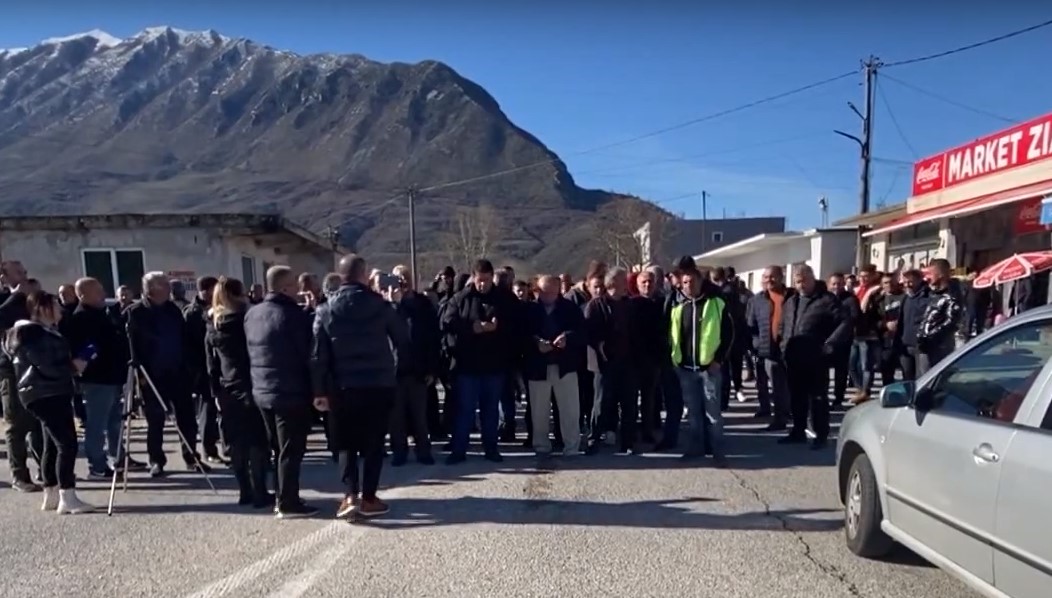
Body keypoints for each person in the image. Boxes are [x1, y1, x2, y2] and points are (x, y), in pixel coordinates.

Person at [312, 255, 409, 519]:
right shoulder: (381, 306)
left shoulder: (325, 309)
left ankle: (349, 495)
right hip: (378, 384)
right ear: (364, 275)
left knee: (345, 444)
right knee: (374, 443)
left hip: (341, 387)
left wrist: (319, 391)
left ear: (340, 276)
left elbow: (318, 355)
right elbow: (403, 338)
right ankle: (369, 497)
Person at [4, 291, 94, 513]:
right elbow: (48, 365)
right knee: (67, 443)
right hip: (50, 392)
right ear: (42, 308)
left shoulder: (25, 334)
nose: (61, 309)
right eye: (55, 304)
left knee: (51, 444)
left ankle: (51, 493)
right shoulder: (36, 335)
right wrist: (76, 365)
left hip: (36, 393)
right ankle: (67, 496)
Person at [245, 266, 318, 519]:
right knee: (291, 450)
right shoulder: (292, 315)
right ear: (286, 287)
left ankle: (281, 495)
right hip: (290, 391)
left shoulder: (252, 314)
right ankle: (288, 502)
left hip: (262, 389)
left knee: (277, 449)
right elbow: (306, 354)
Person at [126, 272, 206, 477]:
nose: (169, 287)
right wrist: (139, 375)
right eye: (163, 284)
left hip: (178, 372)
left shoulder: (173, 310)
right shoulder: (135, 312)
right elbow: (131, 346)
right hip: (152, 375)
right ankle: (156, 460)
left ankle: (191, 456)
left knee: (187, 418)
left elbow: (184, 339)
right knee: (156, 420)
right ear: (151, 289)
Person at [441, 259, 520, 464]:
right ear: (473, 278)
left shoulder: (505, 299)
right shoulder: (461, 298)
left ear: (492, 277)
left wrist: (498, 329)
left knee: (490, 410)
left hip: (494, 365)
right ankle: (459, 450)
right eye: (479, 281)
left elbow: (517, 326)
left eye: (486, 280)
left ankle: (491, 448)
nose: (482, 284)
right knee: (465, 410)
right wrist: (473, 327)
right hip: (468, 365)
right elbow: (447, 322)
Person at [205, 277, 273, 509]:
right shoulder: (248, 319)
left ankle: (244, 491)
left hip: (227, 386)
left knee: (236, 442)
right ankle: (260, 491)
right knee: (257, 441)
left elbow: (211, 364)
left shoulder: (213, 322)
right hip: (252, 382)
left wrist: (215, 391)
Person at [64, 277, 130, 478]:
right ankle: (97, 464)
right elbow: (85, 347)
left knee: (114, 421)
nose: (102, 294)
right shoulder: (82, 318)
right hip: (97, 378)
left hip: (113, 376)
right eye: (97, 291)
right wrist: (93, 352)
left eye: (102, 289)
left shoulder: (104, 314)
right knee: (97, 423)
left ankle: (117, 456)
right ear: (83, 295)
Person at [779, 265, 850, 449]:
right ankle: (798, 431)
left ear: (813, 279)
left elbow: (844, 322)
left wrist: (830, 344)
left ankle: (821, 435)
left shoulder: (827, 300)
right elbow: (783, 326)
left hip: (816, 359)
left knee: (818, 398)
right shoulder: (791, 301)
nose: (801, 285)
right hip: (793, 357)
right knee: (797, 397)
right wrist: (782, 344)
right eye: (797, 281)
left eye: (804, 280)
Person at [669, 267, 733, 466]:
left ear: (700, 281)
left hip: (709, 370)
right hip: (686, 370)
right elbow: (673, 336)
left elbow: (729, 334)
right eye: (685, 282)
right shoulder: (678, 306)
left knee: (713, 415)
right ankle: (696, 449)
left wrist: (718, 360)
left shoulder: (716, 304)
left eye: (692, 281)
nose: (689, 286)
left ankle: (718, 452)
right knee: (694, 414)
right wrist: (676, 362)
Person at [524, 275, 584, 457]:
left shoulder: (570, 308)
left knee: (570, 410)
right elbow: (520, 335)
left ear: (559, 290)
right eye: (543, 292)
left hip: (565, 365)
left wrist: (567, 338)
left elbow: (582, 332)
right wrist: (536, 342)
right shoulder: (529, 310)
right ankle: (541, 445)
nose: (547, 295)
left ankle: (572, 446)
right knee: (538, 411)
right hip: (538, 367)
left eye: (551, 292)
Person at [388, 264, 440, 467]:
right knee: (396, 417)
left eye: (406, 277)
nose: (403, 282)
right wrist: (395, 303)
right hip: (394, 370)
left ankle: (423, 450)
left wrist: (432, 368)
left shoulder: (423, 304)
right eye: (398, 278)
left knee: (420, 415)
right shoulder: (386, 306)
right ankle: (399, 451)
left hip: (418, 369)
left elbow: (433, 338)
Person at [584, 267, 638, 455]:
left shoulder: (630, 305)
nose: (628, 284)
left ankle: (628, 442)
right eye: (625, 280)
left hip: (628, 362)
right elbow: (589, 333)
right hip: (604, 364)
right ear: (614, 283)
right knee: (600, 404)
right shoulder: (596, 305)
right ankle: (594, 439)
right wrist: (601, 347)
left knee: (629, 404)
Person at [0, 265, 44, 491]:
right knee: (17, 424)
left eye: (25, 271)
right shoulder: (7, 301)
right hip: (11, 369)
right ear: (4, 278)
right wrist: (16, 295)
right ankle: (19, 475)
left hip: (37, 367)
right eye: (18, 273)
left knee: (39, 421)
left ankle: (45, 469)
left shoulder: (30, 300)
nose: (24, 276)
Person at [746, 266, 793, 431]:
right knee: (773, 385)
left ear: (781, 277)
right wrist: (756, 344)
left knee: (789, 386)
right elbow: (750, 325)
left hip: (790, 348)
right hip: (768, 350)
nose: (769, 280)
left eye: (773, 277)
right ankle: (777, 416)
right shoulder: (757, 300)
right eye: (766, 277)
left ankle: (788, 414)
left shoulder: (792, 297)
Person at [183, 276, 223, 463]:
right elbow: (191, 346)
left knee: (217, 410)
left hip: (218, 367)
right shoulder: (193, 313)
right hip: (202, 369)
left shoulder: (216, 308)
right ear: (205, 291)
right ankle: (209, 449)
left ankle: (218, 445)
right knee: (207, 410)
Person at [632, 269, 667, 444]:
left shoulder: (662, 304)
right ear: (637, 285)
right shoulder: (631, 304)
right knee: (631, 399)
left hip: (653, 358)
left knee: (649, 397)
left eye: (650, 282)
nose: (647, 285)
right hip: (633, 359)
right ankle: (630, 431)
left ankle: (648, 429)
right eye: (643, 282)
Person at [917, 259, 963, 374]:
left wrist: (929, 336)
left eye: (930, 274)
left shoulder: (952, 296)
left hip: (939, 347)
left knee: (934, 380)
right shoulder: (935, 294)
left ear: (941, 274)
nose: (927, 278)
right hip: (926, 346)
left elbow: (951, 322)